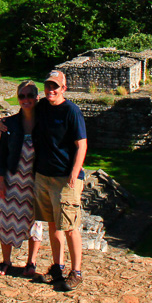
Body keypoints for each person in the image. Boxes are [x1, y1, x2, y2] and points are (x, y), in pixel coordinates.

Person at [33, 69, 87, 291]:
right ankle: (58, 267)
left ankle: (76, 271)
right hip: (44, 175)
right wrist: (3, 122)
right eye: (48, 86)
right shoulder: (41, 107)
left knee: (70, 227)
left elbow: (81, 144)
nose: (51, 90)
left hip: (66, 178)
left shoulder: (71, 111)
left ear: (64, 88)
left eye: (55, 86)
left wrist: (74, 173)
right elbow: (23, 118)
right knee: (54, 225)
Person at [0, 80, 44, 276]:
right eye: (22, 96)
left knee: (34, 221)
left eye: (30, 95)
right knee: (7, 219)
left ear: (36, 97)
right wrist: (0, 179)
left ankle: (31, 262)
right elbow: (2, 152)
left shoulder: (44, 122)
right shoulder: (10, 123)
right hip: (13, 179)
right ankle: (6, 261)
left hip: (36, 180)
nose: (26, 100)